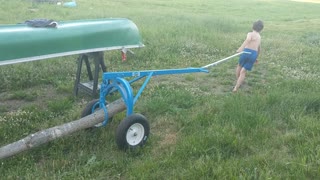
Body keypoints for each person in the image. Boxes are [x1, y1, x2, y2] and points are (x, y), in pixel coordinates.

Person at [233, 20, 264, 92]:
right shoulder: (259, 37)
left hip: (246, 52)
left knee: (239, 66)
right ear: (261, 29)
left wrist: (240, 48)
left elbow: (247, 40)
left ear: (252, 27)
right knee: (243, 71)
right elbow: (259, 49)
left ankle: (238, 81)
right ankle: (236, 87)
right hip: (254, 54)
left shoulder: (250, 34)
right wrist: (255, 57)